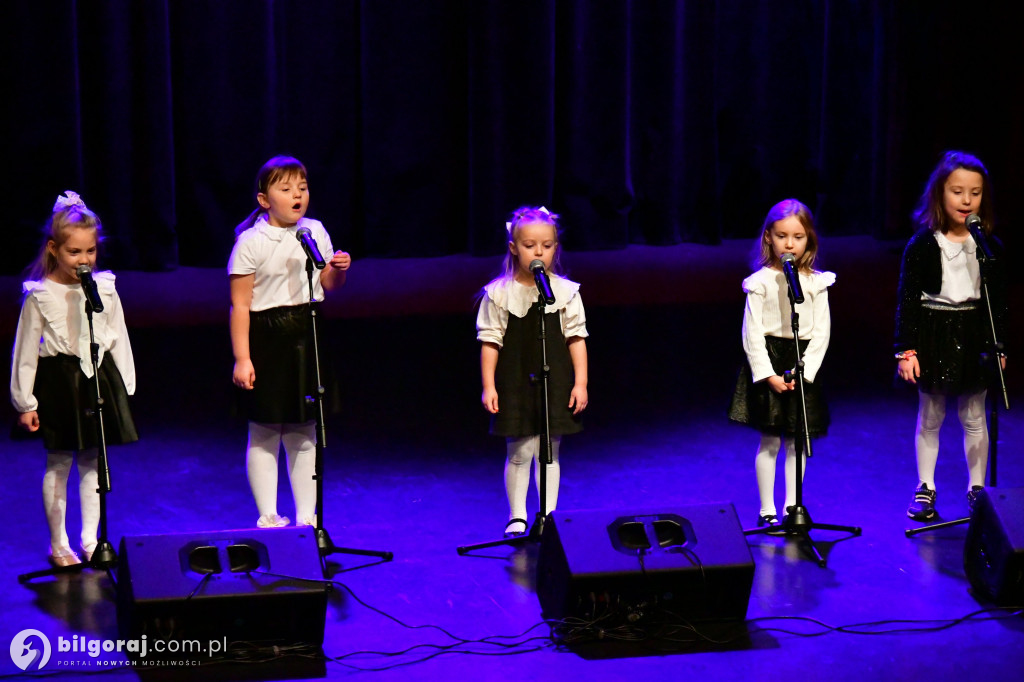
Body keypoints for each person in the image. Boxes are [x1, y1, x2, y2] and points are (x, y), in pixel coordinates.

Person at [10, 191, 138, 567]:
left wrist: (125, 388)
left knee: (93, 462)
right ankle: (58, 543)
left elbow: (119, 336)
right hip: (60, 384)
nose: (84, 260)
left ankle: (90, 539)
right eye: (74, 252)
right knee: (60, 462)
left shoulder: (106, 289)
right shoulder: (40, 295)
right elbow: (25, 352)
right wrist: (25, 402)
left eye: (90, 252)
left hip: (97, 378)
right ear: (54, 249)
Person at [228, 156, 351, 528]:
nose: (297, 195)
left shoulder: (314, 231)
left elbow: (328, 286)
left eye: (303, 187)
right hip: (267, 336)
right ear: (265, 199)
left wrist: (337, 269)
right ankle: (268, 515)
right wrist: (242, 358)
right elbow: (240, 305)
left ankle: (306, 520)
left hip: (308, 330)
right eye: (286, 189)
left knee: (304, 429)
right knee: (266, 429)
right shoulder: (251, 241)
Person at [896, 151, 1008, 521]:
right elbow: (908, 300)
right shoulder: (924, 244)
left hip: (974, 331)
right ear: (940, 193)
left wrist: (999, 344)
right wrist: (905, 350)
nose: (966, 200)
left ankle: (977, 488)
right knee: (931, 413)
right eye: (957, 191)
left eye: (974, 193)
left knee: (974, 414)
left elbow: (998, 302)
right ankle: (925, 487)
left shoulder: (988, 246)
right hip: (934, 329)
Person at [477, 206, 589, 537]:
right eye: (529, 245)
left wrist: (580, 383)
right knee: (520, 449)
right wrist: (489, 386)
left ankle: (550, 513)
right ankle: (517, 514)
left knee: (549, 449)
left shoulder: (566, 292)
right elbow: (490, 342)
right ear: (514, 247)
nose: (539, 252)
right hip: (514, 380)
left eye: (547, 245)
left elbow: (577, 338)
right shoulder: (499, 293)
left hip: (553, 380)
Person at [728, 199, 834, 532]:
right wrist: (768, 375)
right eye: (782, 236)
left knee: (797, 441)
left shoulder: (817, 282)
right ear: (769, 238)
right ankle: (767, 508)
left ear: (809, 239)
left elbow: (821, 332)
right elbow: (752, 334)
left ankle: (793, 505)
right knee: (770, 440)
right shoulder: (758, 282)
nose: (790, 244)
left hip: (802, 365)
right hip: (771, 364)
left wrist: (807, 373)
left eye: (798, 236)